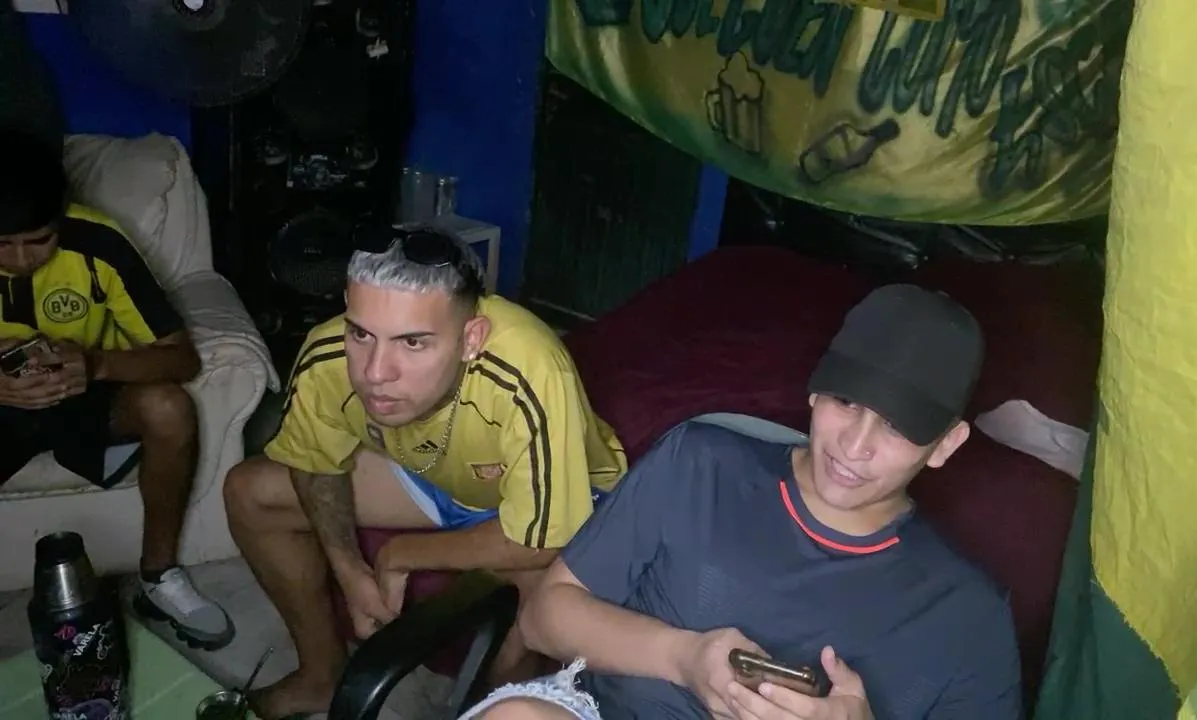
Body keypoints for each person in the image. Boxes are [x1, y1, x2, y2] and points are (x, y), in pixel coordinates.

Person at [461, 285, 1024, 720]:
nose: (855, 446)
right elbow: (544, 618)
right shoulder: (701, 466)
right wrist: (685, 658)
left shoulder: (967, 615)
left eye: (897, 427)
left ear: (945, 444)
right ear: (815, 388)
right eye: (846, 401)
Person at [222, 226, 628, 719]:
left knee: (517, 653)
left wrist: (399, 555)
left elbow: (540, 538)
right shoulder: (326, 356)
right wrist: (348, 568)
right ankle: (320, 676)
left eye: (413, 342)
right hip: (438, 477)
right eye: (361, 333)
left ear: (471, 339)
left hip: (564, 502)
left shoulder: (533, 369)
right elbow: (315, 462)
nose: (375, 372)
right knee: (251, 492)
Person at [0, 127, 233, 649]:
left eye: (38, 241)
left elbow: (182, 357)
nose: (20, 260)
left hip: (86, 394)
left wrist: (96, 363)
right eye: (2, 245)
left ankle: (160, 576)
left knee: (169, 407)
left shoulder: (98, 242)